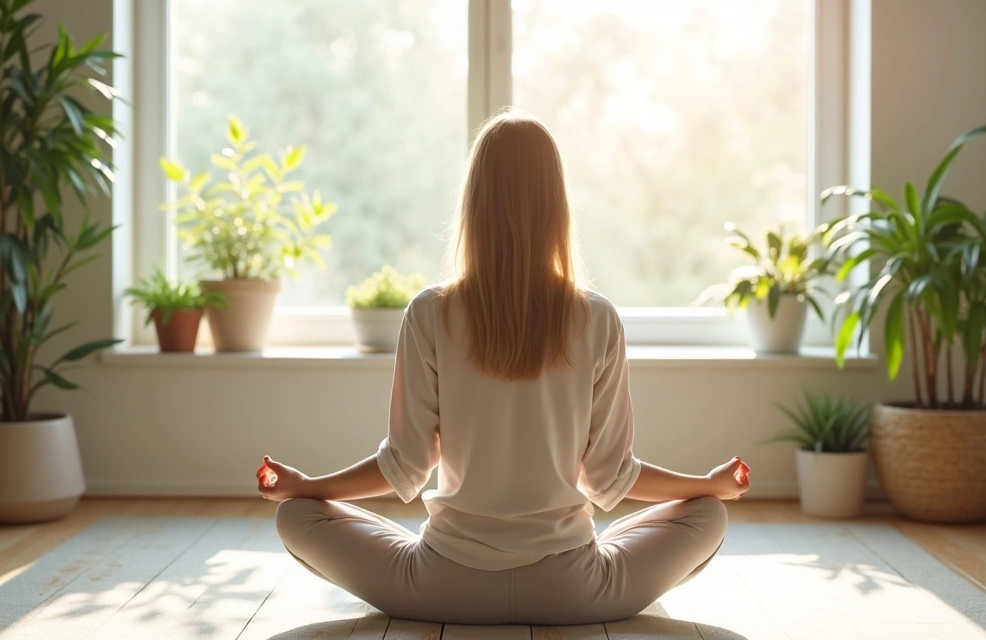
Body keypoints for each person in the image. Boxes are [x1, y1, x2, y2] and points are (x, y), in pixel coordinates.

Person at [257, 111, 751, 626]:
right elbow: (610, 477)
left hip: (441, 586)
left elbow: (404, 464)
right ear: (557, 205)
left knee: (295, 515)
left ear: (475, 203)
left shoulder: (430, 312)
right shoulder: (597, 317)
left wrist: (305, 487)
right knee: (708, 514)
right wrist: (709, 485)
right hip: (573, 591)